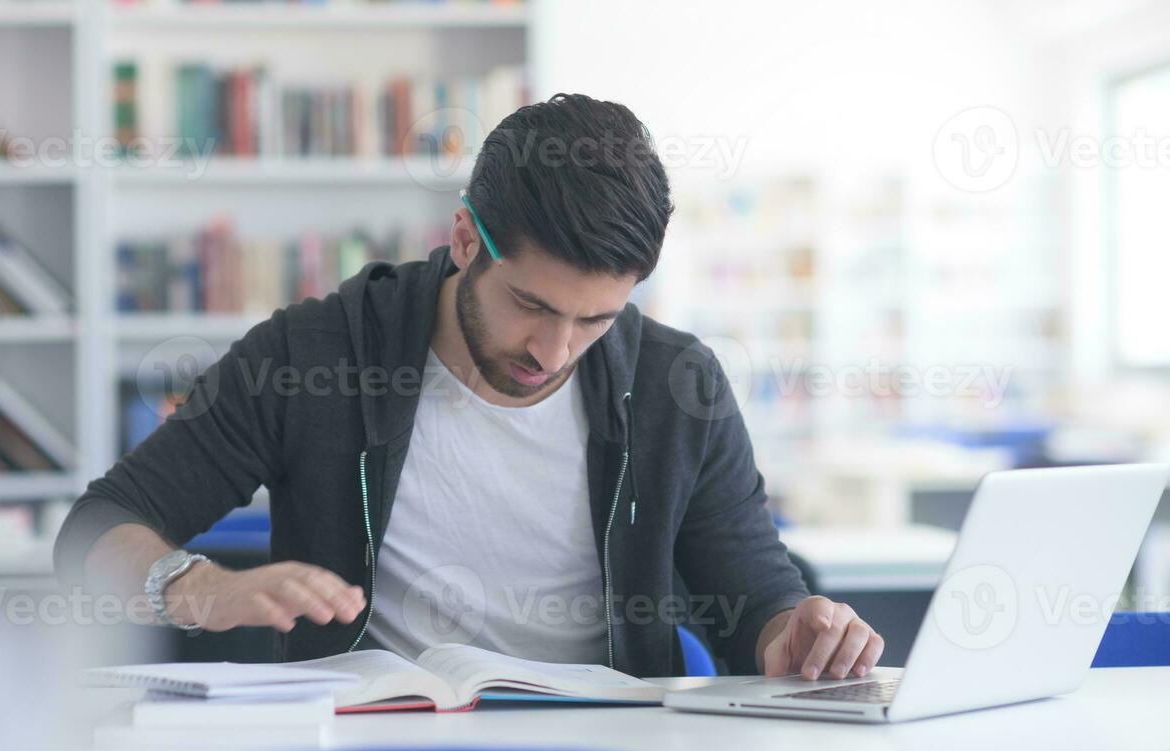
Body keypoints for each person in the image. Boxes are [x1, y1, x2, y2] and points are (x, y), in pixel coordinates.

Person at [54, 93, 883, 680]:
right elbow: (96, 529)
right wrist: (198, 587)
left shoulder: (677, 383)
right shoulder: (313, 355)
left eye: (595, 319)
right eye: (530, 303)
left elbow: (756, 598)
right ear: (462, 239)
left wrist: (794, 637)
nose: (554, 350)